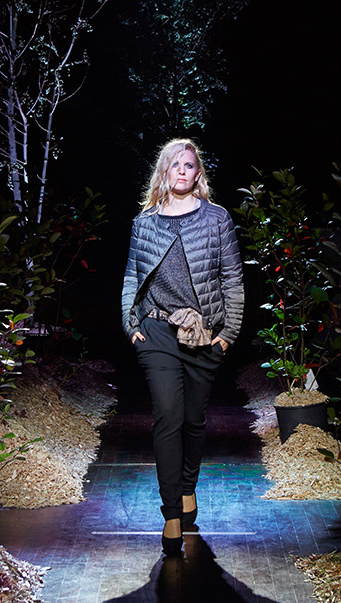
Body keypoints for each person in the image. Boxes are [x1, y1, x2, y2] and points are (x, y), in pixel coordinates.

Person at [121, 138, 244, 555]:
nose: (182, 172)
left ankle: (188, 484)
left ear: (197, 173)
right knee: (168, 417)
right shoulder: (145, 223)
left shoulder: (216, 219)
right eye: (175, 165)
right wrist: (130, 323)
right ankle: (171, 513)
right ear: (164, 171)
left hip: (204, 333)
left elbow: (232, 278)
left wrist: (228, 333)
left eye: (189, 165)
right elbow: (132, 277)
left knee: (194, 420)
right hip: (156, 331)